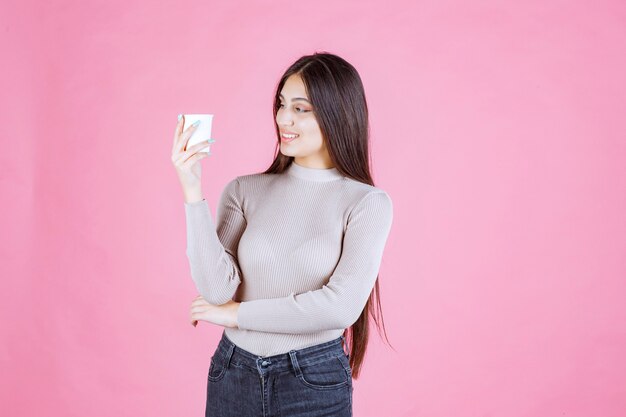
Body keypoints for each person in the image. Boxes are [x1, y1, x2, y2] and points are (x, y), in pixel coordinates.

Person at [171, 52, 394, 417]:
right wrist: (192, 190)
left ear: (337, 113)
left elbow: (340, 307)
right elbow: (216, 290)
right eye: (281, 104)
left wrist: (237, 315)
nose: (283, 118)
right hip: (233, 371)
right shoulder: (244, 190)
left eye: (300, 108)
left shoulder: (367, 203)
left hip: (312, 378)